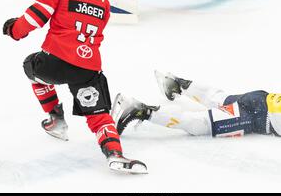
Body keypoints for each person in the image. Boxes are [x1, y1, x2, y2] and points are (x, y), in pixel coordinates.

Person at [3, 0, 147, 174]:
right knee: (99, 117)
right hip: (87, 68)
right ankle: (115, 154)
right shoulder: (103, 0)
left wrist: (14, 30)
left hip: (54, 62)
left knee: (31, 67)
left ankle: (56, 119)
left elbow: (35, 16)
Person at [111, 70, 281, 138]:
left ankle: (178, 84)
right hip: (259, 115)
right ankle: (140, 110)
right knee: (201, 124)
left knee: (220, 98)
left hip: (263, 99)